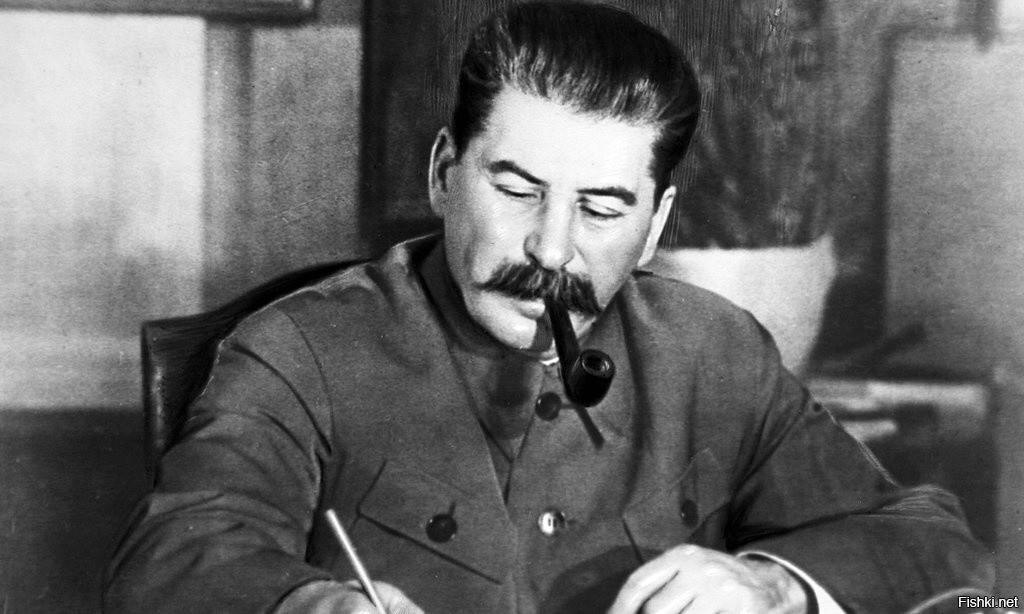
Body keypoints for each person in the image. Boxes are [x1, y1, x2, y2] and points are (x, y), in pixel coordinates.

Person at [104, 3, 994, 613]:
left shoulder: (713, 352)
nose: (551, 249)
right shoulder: (300, 350)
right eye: (517, 189)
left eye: (601, 209)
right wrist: (309, 605)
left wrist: (775, 584)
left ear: (655, 226)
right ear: (444, 173)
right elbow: (174, 557)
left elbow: (935, 546)